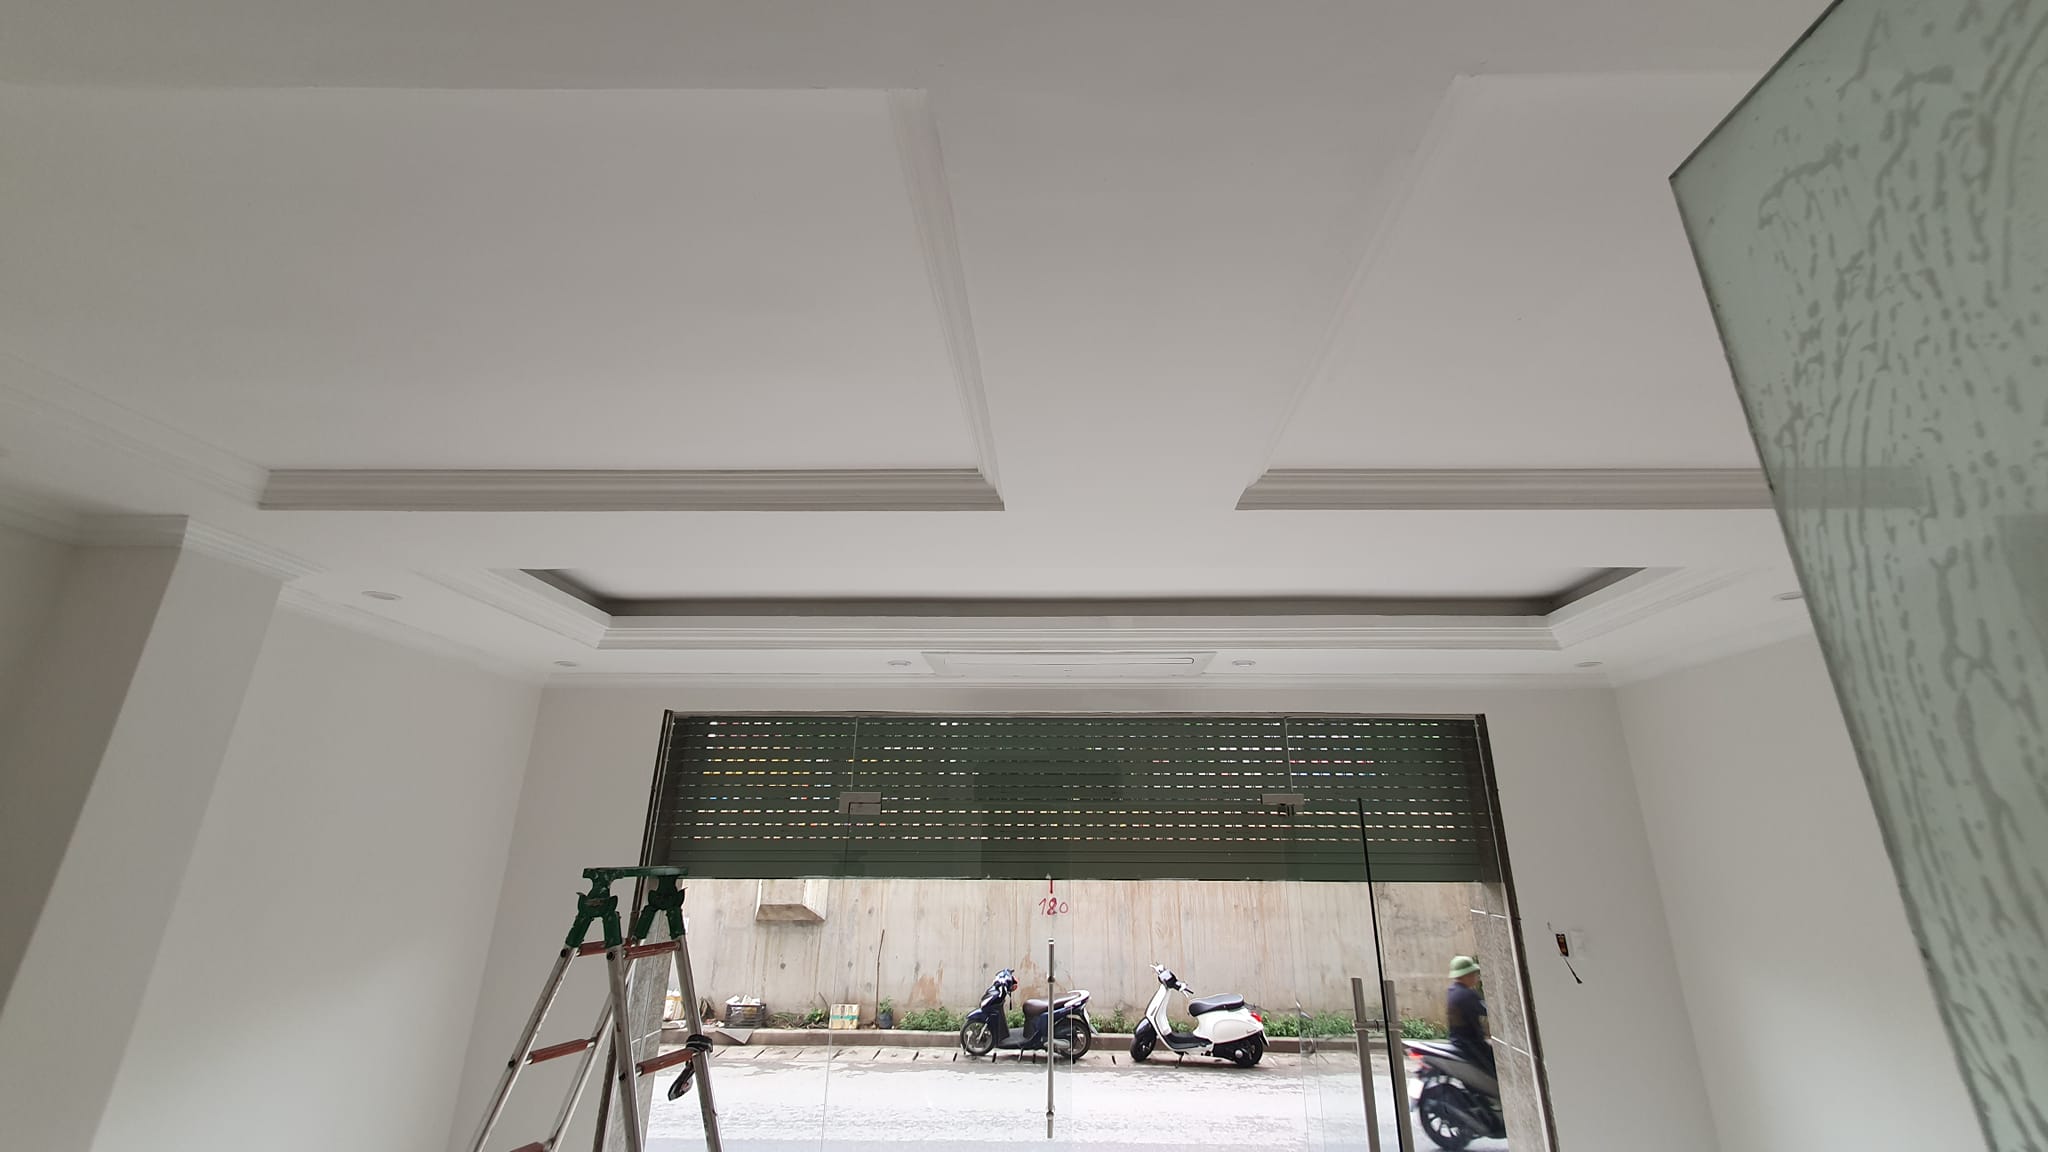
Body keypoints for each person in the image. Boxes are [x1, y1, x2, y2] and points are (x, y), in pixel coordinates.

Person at [1444, 955, 1496, 1077]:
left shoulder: (1452, 991)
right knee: (1495, 1068)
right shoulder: (1467, 994)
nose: (1476, 977)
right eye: (1474, 974)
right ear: (1465, 975)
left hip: (1458, 1041)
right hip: (1471, 1044)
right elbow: (1487, 1011)